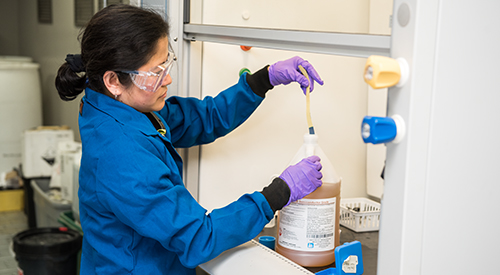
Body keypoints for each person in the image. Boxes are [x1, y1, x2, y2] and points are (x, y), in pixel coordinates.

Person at [55, 4, 325, 275]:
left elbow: (205, 118)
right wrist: (278, 194)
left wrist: (264, 79)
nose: (168, 78)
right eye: (155, 72)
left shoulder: (121, 107)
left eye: (167, 63)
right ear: (114, 80)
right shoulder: (122, 154)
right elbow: (198, 238)